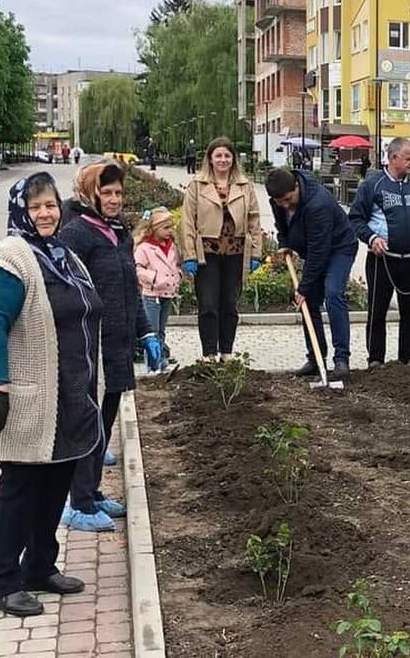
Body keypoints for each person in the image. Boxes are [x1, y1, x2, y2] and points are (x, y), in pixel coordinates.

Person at [0, 173, 102, 616]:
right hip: (27, 399)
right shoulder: (8, 260)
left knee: (55, 485)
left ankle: (40, 567)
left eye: (50, 205)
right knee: (20, 488)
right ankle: (2, 583)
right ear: (20, 211)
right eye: (35, 206)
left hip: (69, 397)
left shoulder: (63, 256)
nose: (45, 213)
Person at [60, 162, 163, 531]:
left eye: (119, 192)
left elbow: (131, 288)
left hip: (117, 344)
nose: (114, 199)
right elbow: (66, 291)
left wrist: (146, 333)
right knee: (88, 424)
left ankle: (93, 491)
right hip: (91, 347)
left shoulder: (119, 232)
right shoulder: (76, 234)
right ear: (91, 194)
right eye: (106, 193)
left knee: (104, 422)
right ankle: (78, 503)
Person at [348, 137, 410, 367]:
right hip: (382, 260)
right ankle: (375, 360)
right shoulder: (372, 185)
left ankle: (408, 358)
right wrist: (371, 238)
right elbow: (356, 219)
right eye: (409, 159)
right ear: (393, 158)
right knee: (377, 311)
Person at [266, 167, 359, 379]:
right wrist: (284, 242)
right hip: (315, 249)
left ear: (296, 187)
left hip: (339, 248)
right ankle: (316, 359)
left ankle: (341, 361)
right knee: (308, 303)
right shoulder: (278, 200)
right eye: (280, 202)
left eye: (288, 199)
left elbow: (319, 251)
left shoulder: (318, 204)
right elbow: (282, 225)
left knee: (333, 293)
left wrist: (304, 287)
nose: (285, 205)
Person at [179, 136, 264, 361]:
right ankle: (209, 354)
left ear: (233, 159)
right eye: (218, 155)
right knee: (208, 305)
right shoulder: (198, 185)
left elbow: (254, 219)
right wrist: (189, 255)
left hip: (236, 252)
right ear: (210, 158)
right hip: (207, 253)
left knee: (229, 305)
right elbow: (187, 221)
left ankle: (226, 352)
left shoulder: (245, 186)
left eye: (227, 155)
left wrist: (256, 252)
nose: (223, 160)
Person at [134, 207, 182, 372]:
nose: (170, 231)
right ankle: (152, 365)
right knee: (151, 331)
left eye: (171, 227)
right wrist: (154, 278)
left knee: (161, 330)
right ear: (154, 228)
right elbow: (137, 269)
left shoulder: (172, 247)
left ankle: (160, 361)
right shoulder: (144, 248)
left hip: (167, 293)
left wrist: (177, 276)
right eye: (166, 227)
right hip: (151, 294)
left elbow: (176, 265)